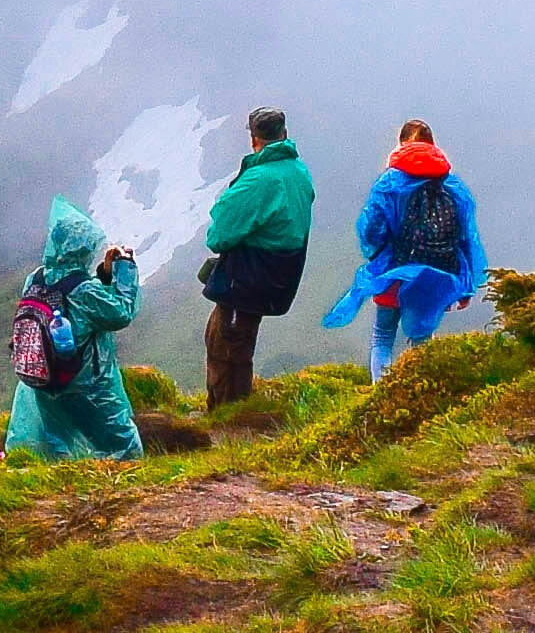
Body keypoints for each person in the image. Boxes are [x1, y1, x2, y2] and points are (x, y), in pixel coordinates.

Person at [325, 119, 486, 378]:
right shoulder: (453, 185)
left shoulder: (390, 183)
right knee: (422, 338)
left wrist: (378, 256)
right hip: (437, 275)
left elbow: (371, 230)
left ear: (401, 145)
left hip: (395, 270)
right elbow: (468, 236)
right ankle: (421, 392)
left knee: (383, 336)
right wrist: (466, 284)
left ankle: (383, 396)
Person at [5, 196, 146, 459]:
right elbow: (120, 313)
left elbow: (79, 304)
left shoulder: (35, 279)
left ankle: (61, 482)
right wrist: (124, 268)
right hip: (85, 382)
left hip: (46, 378)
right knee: (119, 443)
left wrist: (103, 275)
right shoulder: (83, 289)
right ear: (84, 249)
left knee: (59, 442)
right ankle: (127, 482)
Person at [193, 108, 313, 413]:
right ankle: (227, 412)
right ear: (283, 134)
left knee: (228, 348)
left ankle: (230, 419)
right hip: (278, 276)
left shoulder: (259, 179)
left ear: (254, 138)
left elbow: (219, 235)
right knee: (225, 338)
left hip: (248, 278)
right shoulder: (299, 171)